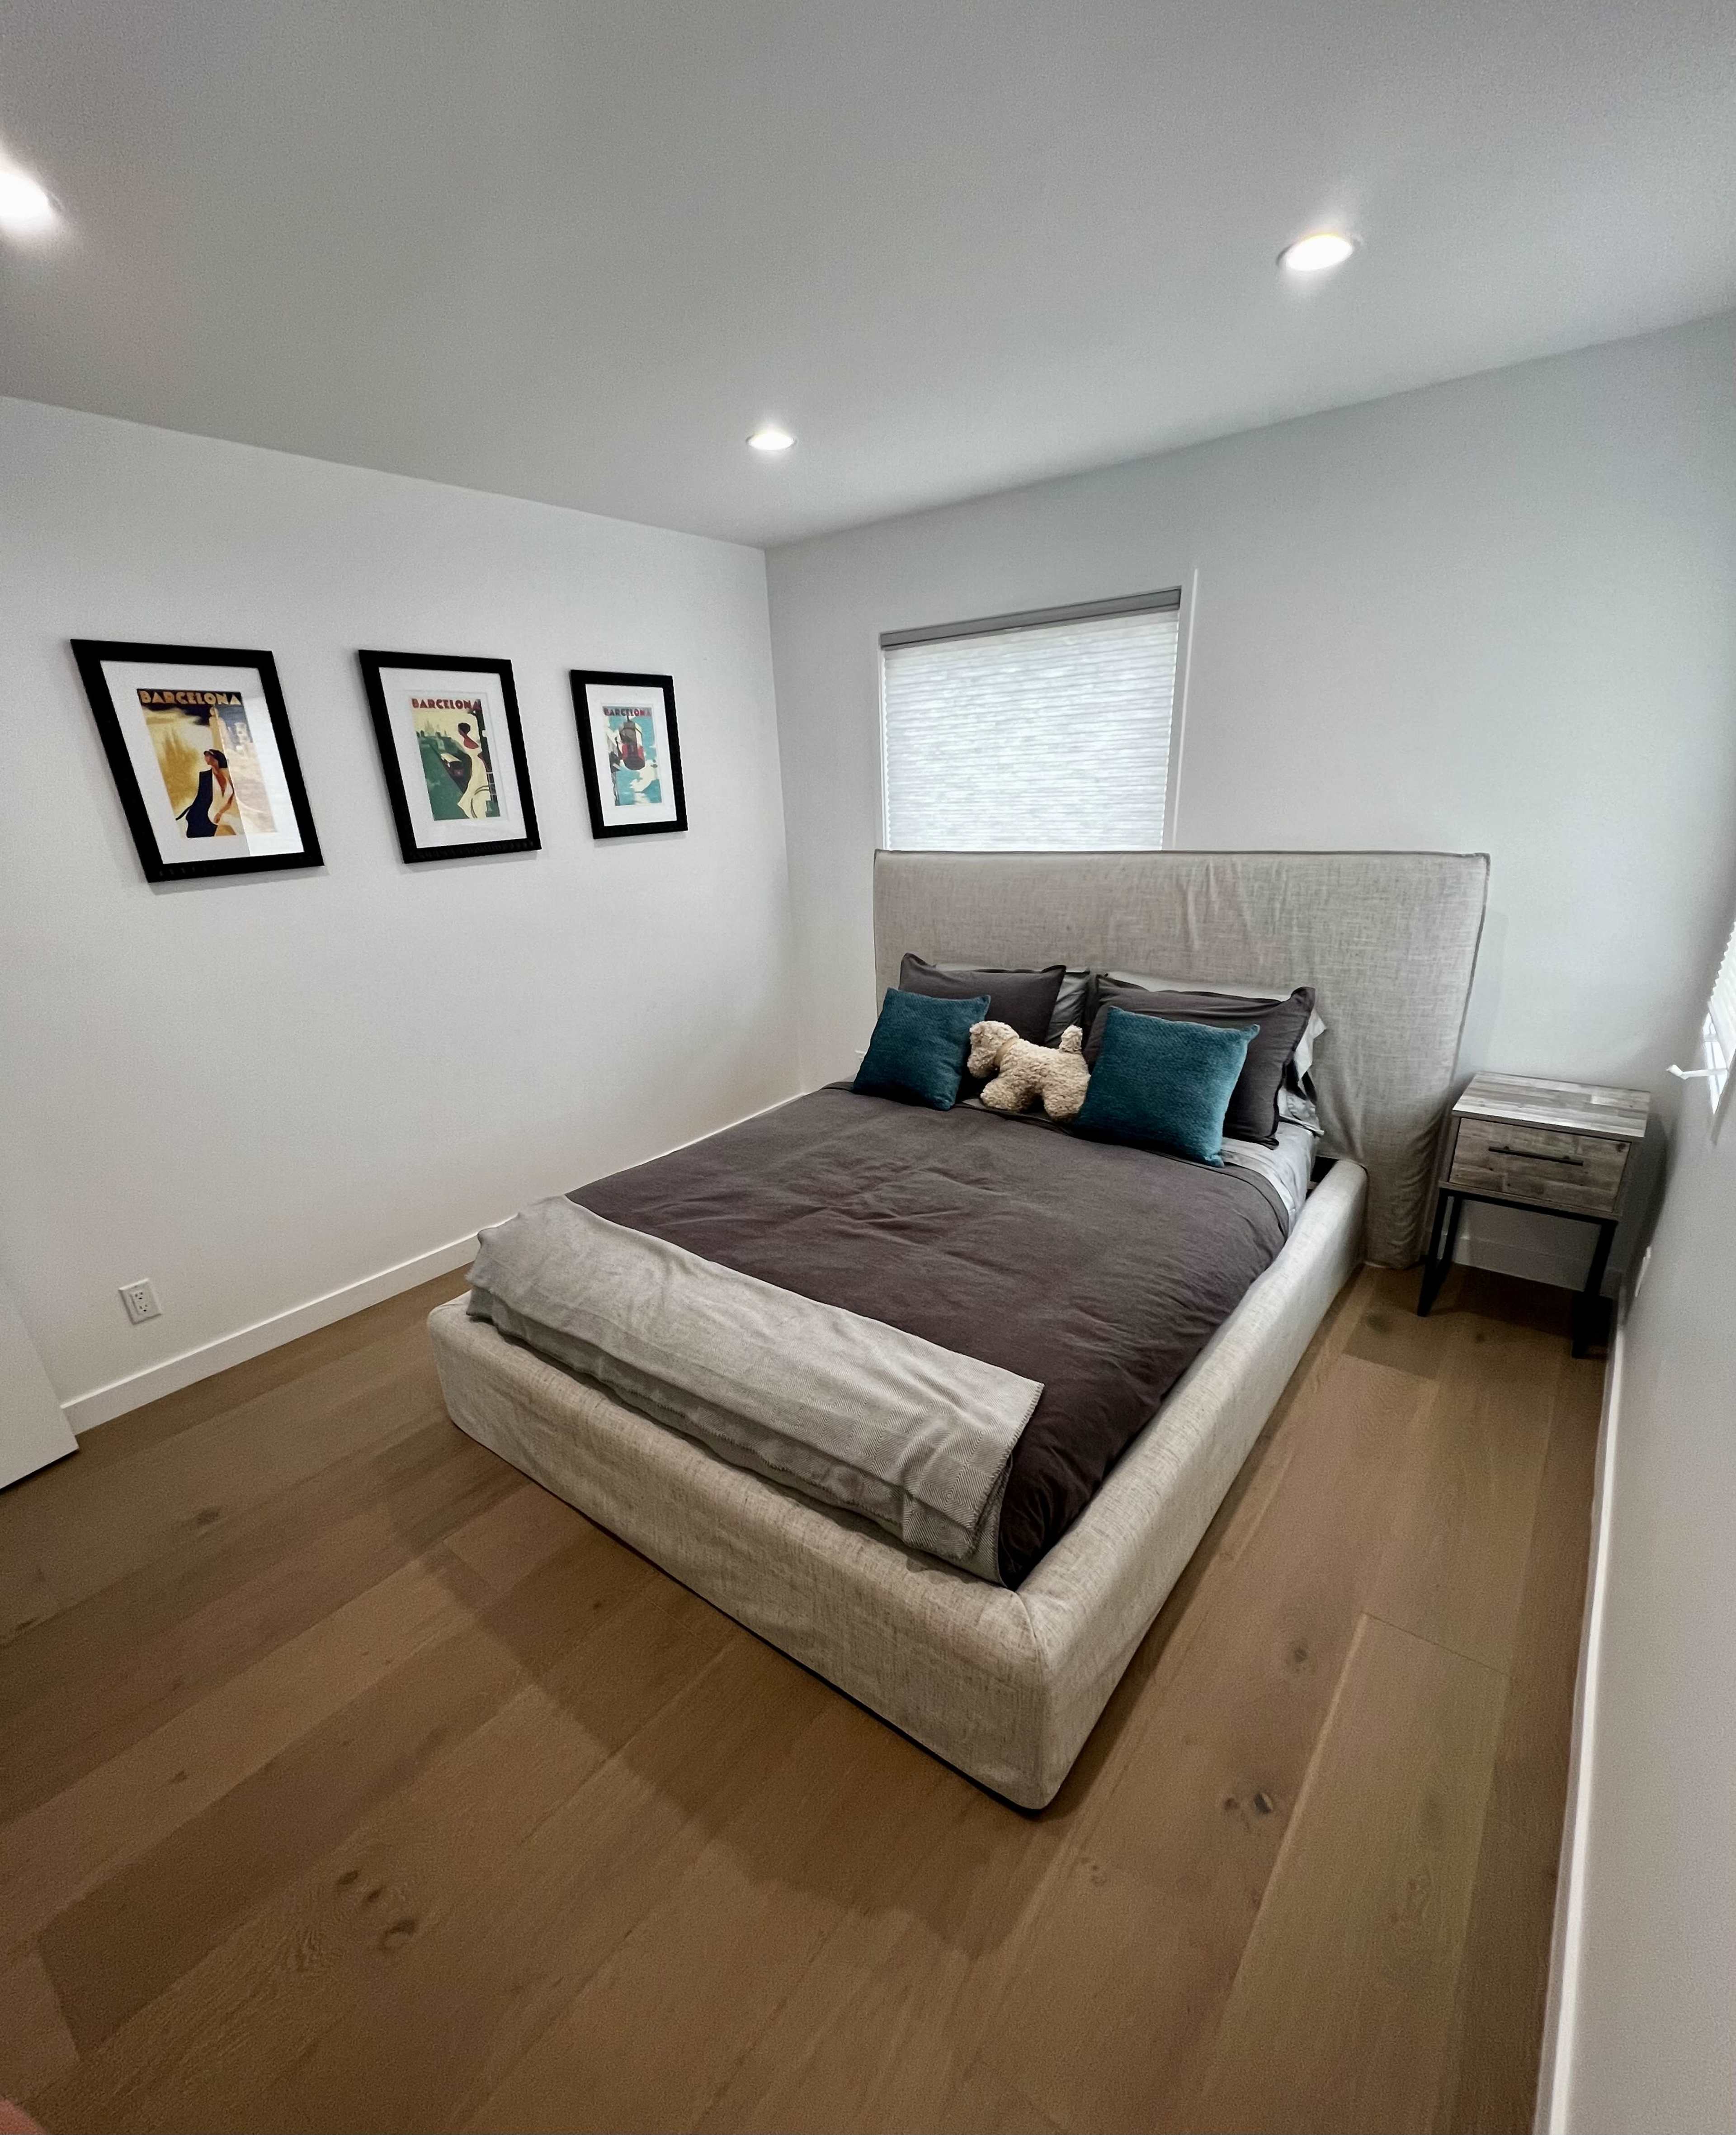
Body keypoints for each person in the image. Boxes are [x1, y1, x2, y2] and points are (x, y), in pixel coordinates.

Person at [179, 747, 240, 838]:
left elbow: (230, 801)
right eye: (206, 755)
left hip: (223, 814)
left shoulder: (230, 777)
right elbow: (200, 798)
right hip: (208, 814)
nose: (206, 757)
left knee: (237, 826)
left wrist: (220, 813)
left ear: (216, 758)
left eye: (208, 755)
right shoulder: (204, 777)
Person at [454, 719, 494, 819]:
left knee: (477, 784)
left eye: (459, 730)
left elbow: (481, 756)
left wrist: (487, 767)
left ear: (462, 731)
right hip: (476, 764)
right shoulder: (467, 740)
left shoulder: (468, 741)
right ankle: (477, 807)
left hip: (479, 765)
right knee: (475, 784)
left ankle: (477, 807)